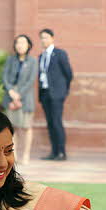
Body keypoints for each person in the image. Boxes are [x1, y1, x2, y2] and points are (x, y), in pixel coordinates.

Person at [2, 34, 39, 165]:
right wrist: (11, 91)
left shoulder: (33, 61)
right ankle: (14, 154)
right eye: (17, 43)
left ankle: (26, 155)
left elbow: (31, 81)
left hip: (25, 98)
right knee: (12, 128)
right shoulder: (10, 60)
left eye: (23, 43)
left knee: (26, 127)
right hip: (10, 97)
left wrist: (19, 94)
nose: (20, 45)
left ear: (28, 45)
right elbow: (5, 77)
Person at [38, 28, 73, 161]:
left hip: (57, 94)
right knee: (50, 123)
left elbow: (68, 74)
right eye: (41, 38)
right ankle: (53, 151)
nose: (43, 40)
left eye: (46, 37)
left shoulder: (59, 53)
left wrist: (63, 90)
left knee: (57, 122)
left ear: (52, 38)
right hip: (45, 93)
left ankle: (61, 152)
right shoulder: (41, 56)